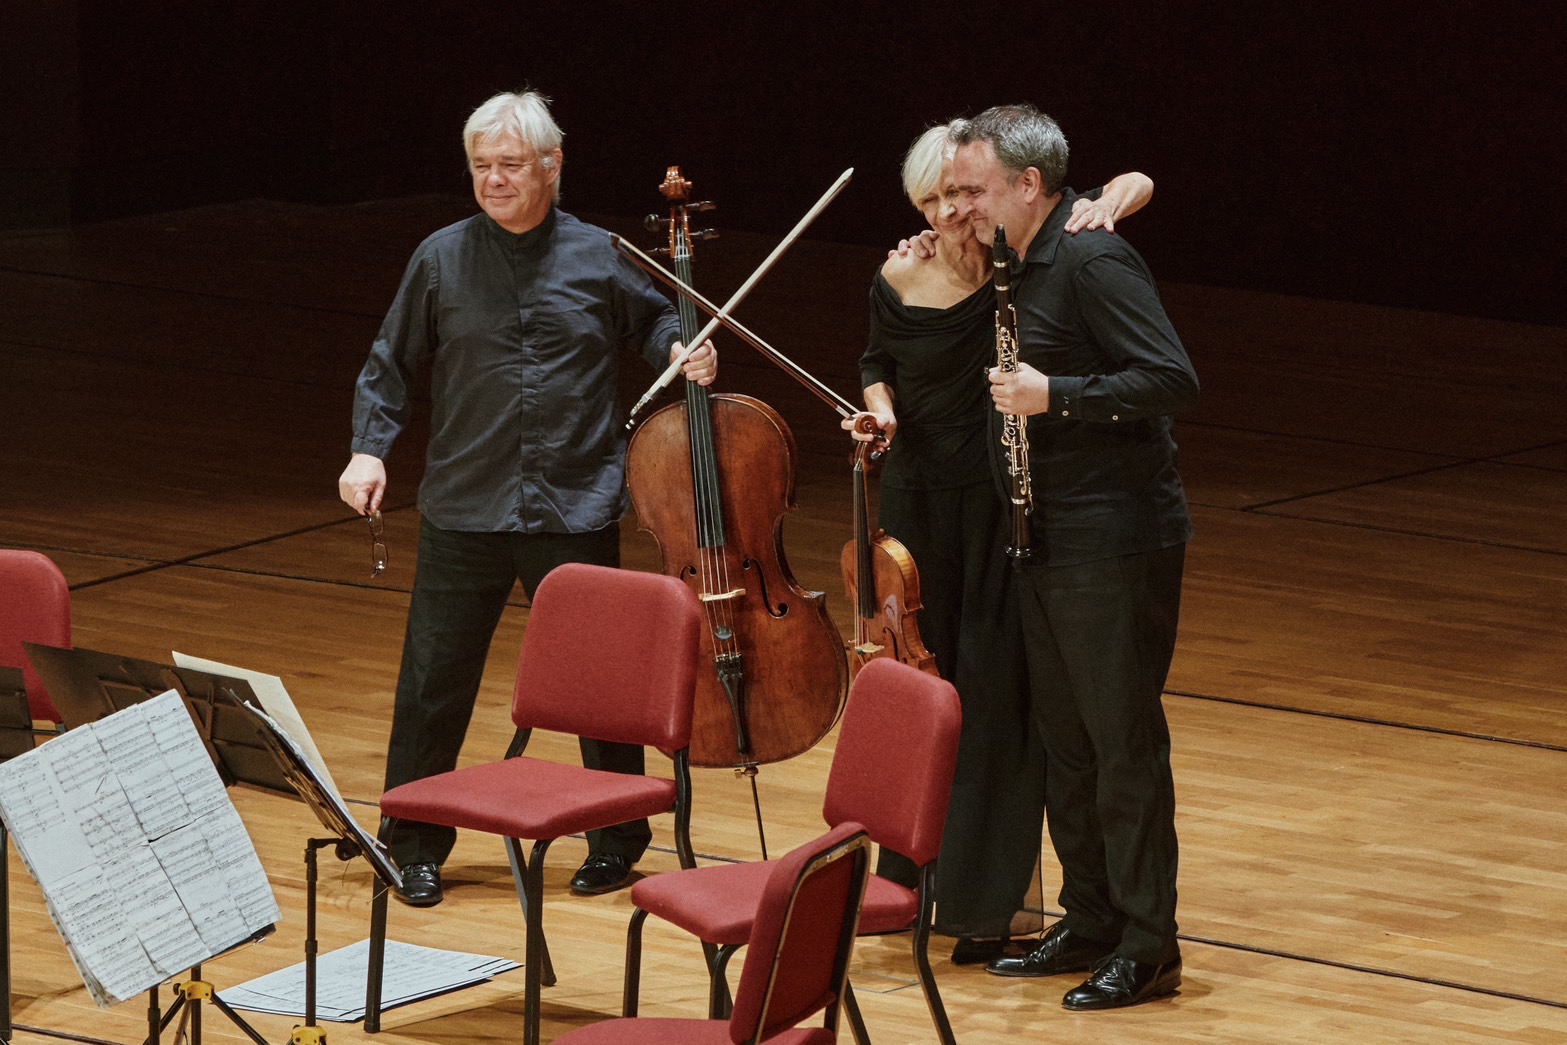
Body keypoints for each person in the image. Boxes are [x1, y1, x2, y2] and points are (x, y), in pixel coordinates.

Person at [337, 90, 717, 908]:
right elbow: (390, 362)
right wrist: (370, 447)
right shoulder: (440, 257)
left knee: (600, 687)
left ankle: (616, 834)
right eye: (481, 166)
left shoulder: (601, 254)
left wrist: (681, 347)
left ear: (552, 165)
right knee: (433, 681)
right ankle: (412, 842)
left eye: (511, 165)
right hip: (463, 505)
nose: (494, 180)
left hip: (574, 502)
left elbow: (653, 326)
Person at [843, 125, 1153, 965]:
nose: (949, 213)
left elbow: (1115, 182)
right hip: (915, 504)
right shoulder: (898, 269)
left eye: (960, 194)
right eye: (931, 201)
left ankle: (986, 901)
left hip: (997, 503)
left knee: (1002, 704)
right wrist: (880, 411)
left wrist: (1125, 188)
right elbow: (875, 360)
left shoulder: (1023, 265)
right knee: (917, 692)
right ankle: (903, 880)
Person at [947, 104, 1197, 1010]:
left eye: (975, 188)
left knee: (1121, 744)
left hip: (1111, 538)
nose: (962, 203)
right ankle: (1087, 915)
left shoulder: (1092, 257)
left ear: (1027, 185)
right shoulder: (1017, 259)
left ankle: (1147, 942)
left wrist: (1058, 395)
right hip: (1043, 536)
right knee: (1069, 745)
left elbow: (1171, 377)